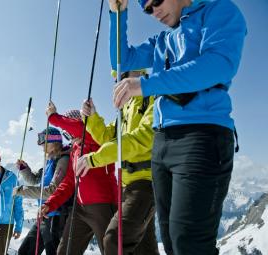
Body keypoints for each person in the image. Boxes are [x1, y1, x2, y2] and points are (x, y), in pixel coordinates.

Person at [108, 0, 247, 254]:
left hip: (202, 136)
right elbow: (121, 59)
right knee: (172, 243)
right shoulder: (163, 40)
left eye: (156, 3)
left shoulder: (219, 11)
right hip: (161, 143)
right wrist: (118, 14)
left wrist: (145, 84)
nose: (154, 12)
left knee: (190, 243)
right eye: (148, 10)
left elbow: (218, 65)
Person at [77, 70, 159, 255]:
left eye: (122, 75)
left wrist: (94, 159)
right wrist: (91, 118)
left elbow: (143, 138)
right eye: (116, 77)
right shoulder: (126, 109)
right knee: (144, 250)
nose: (118, 80)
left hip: (146, 183)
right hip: (126, 186)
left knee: (115, 240)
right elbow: (107, 137)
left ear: (138, 71)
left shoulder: (153, 96)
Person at [39, 101, 118, 254]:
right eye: (66, 135)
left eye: (68, 131)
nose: (69, 137)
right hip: (79, 208)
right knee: (64, 251)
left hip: (102, 205)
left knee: (111, 250)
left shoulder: (95, 138)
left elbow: (82, 128)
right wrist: (51, 203)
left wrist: (54, 117)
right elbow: (69, 182)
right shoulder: (75, 150)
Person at [16, 127, 70, 255]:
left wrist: (21, 191)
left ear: (54, 142)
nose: (41, 146)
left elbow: (52, 190)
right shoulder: (50, 161)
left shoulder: (63, 160)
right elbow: (35, 179)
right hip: (44, 215)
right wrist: (24, 169)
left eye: (43, 142)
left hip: (57, 217)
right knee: (25, 251)